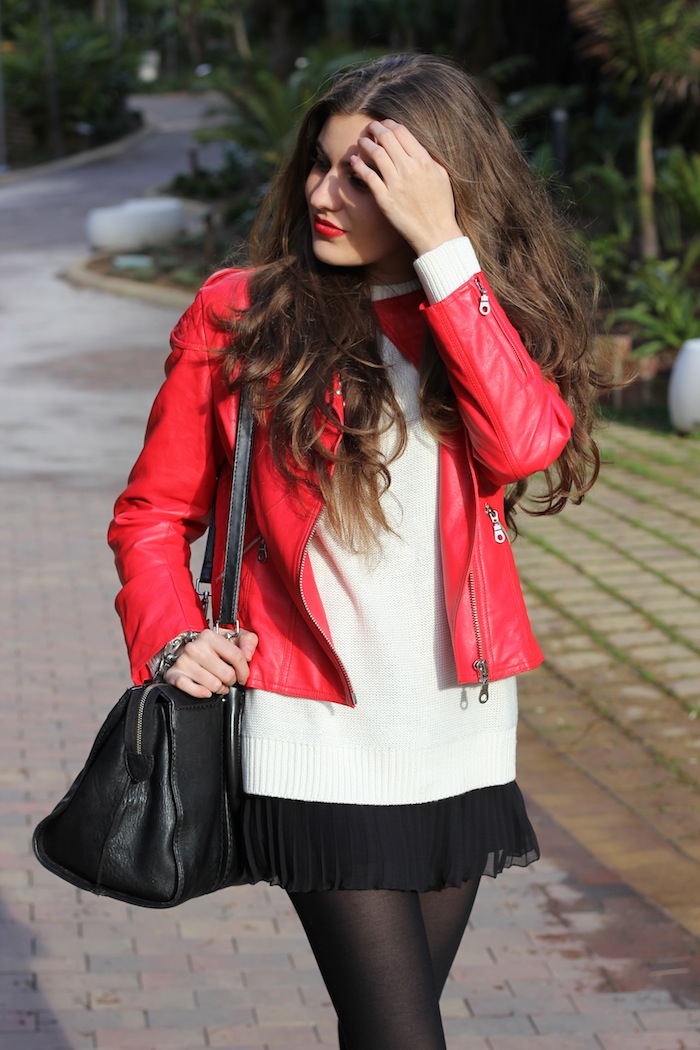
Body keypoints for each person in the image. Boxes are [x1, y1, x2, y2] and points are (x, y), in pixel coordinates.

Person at [108, 52, 604, 1050]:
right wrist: (172, 635)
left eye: (361, 177)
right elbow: (153, 512)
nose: (322, 195)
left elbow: (525, 444)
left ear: (430, 190)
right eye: (318, 166)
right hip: (312, 733)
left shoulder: (472, 319)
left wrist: (444, 253)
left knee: (392, 1026)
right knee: (400, 1036)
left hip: (455, 729)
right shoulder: (241, 313)